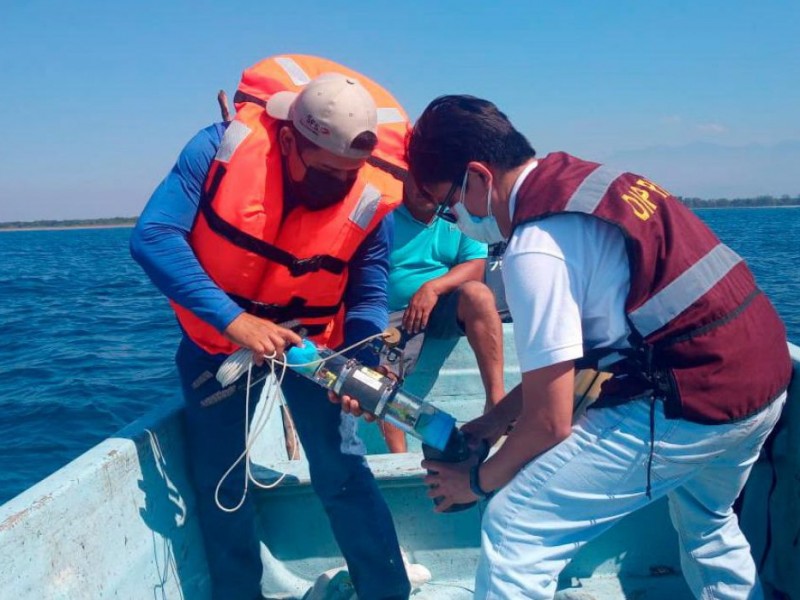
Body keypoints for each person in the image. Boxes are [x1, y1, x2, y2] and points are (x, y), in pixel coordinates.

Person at [406, 95, 792, 599]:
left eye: (447, 204)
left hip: (693, 404)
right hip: (765, 379)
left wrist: (476, 484)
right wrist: (495, 421)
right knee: (708, 521)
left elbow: (551, 421)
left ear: (478, 176)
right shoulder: (592, 182)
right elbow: (579, 354)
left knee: (514, 527)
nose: (451, 218)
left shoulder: (536, 246)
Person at [130, 55, 412, 600]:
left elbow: (370, 280)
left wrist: (364, 356)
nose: (338, 185)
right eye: (326, 171)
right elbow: (154, 237)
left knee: (344, 471)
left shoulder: (370, 188)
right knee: (221, 482)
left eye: (348, 175)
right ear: (287, 140)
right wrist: (235, 322)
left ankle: (386, 591)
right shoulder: (216, 149)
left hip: (317, 345)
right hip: (222, 341)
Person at [378, 178, 506, 452]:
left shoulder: (459, 217)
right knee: (380, 384)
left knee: (479, 295)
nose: (423, 185)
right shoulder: (383, 214)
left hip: (440, 308)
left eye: (431, 177)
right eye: (416, 176)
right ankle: (400, 465)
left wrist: (432, 288)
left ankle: (496, 400)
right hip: (388, 315)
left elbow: (475, 265)